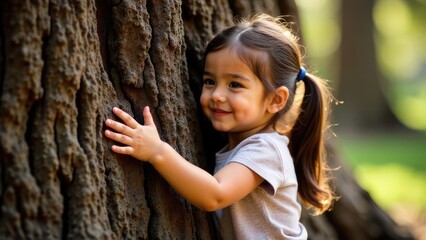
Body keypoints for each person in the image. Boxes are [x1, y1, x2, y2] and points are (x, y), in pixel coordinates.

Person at [104, 13, 336, 240]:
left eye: (235, 84)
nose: (217, 95)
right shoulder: (245, 144)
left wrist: (157, 151)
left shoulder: (266, 150)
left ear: (276, 100)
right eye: (210, 81)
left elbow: (214, 195)